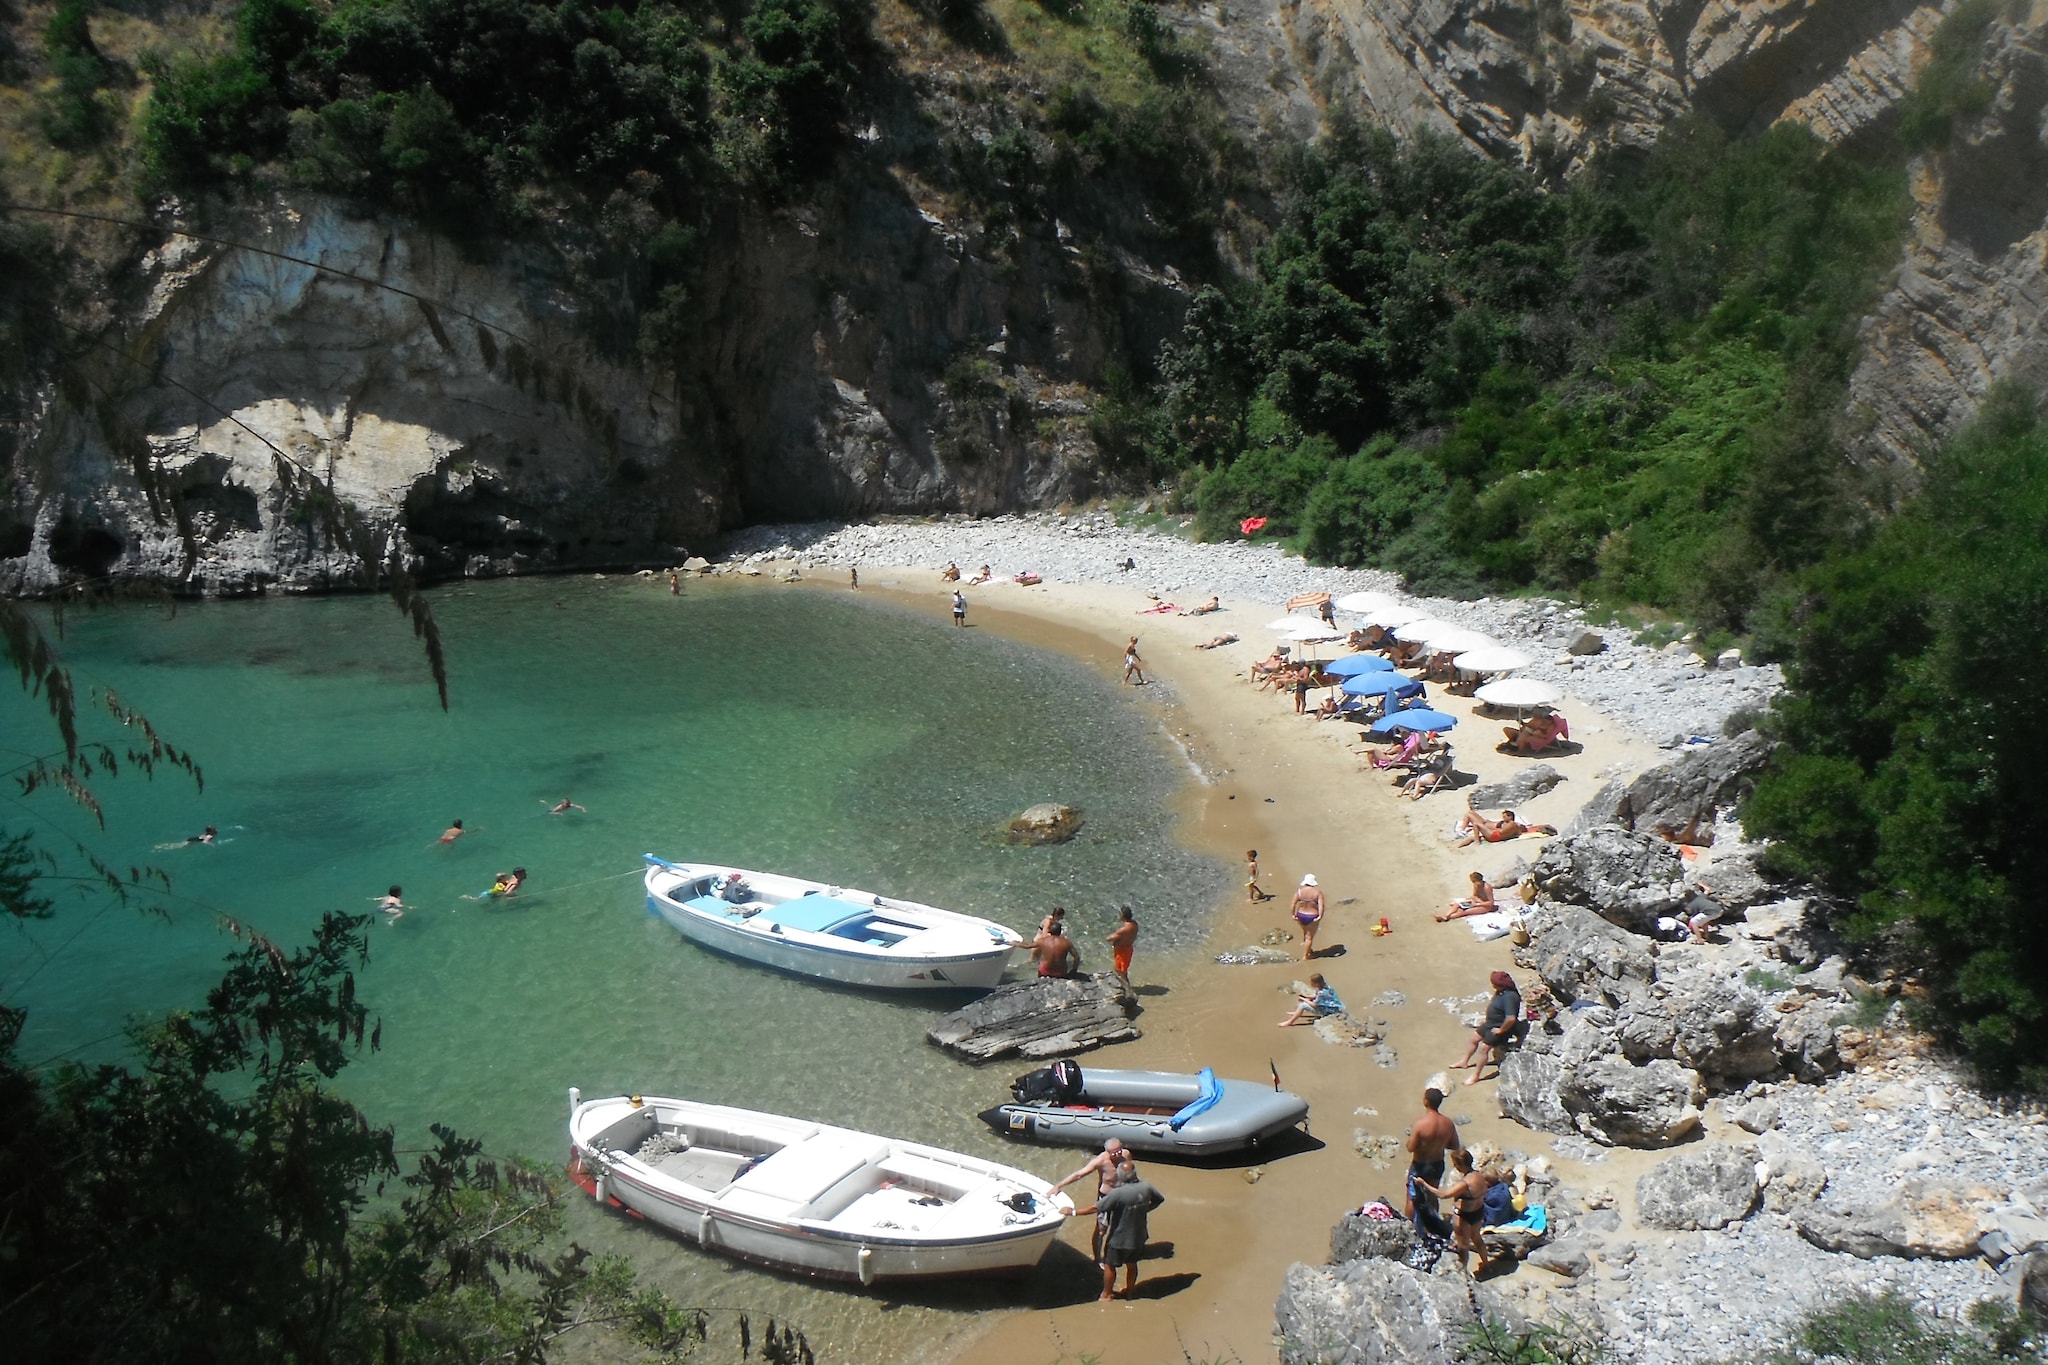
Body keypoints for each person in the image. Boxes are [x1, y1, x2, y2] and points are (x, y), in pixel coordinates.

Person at [1065, 1156, 1163, 1301]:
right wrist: (1144, 1209)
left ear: (1120, 1176)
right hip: (1139, 1236)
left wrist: (1072, 1212)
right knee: (1132, 1264)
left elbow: (1095, 1208)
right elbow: (1159, 1199)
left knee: (1109, 1266)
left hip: (1118, 1239)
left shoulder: (1117, 1194)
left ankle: (1107, 1294)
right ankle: (1130, 1292)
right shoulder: (1147, 1187)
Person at [1416, 1149, 1494, 1273]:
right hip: (1478, 1212)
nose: (1454, 1166)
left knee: (1463, 1246)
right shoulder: (1479, 1175)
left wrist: (1424, 1184)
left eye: (1455, 1164)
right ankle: (1486, 1264)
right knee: (1477, 1238)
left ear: (1461, 1164)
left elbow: (1443, 1195)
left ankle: (1463, 1272)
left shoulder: (1465, 1183)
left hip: (1464, 1216)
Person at [1050, 1138, 1127, 1259]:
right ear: (1107, 1152)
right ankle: (1097, 1259)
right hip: (1106, 1197)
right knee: (1101, 1230)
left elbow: (1131, 1174)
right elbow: (1079, 1174)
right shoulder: (1100, 1161)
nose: (1118, 1154)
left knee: (1120, 1227)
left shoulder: (1126, 1155)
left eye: (1119, 1150)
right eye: (1114, 1152)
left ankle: (1114, 1251)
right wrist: (1059, 1185)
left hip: (1122, 1196)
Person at [1405, 1087, 1462, 1242]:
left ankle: (1409, 1228)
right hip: (1437, 1164)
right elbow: (1455, 1145)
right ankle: (1433, 1226)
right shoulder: (1448, 1123)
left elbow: (1410, 1147)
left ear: (1425, 1101)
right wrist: (1439, 1143)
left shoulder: (1420, 1124)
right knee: (1432, 1194)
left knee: (1412, 1197)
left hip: (1420, 1164)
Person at [1455, 970, 1527, 1085]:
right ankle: (1464, 1061)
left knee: (1484, 1048)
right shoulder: (1501, 992)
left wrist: (1501, 1030)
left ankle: (1475, 1076)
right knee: (1473, 1039)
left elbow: (1511, 1018)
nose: (1493, 986)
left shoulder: (1510, 996)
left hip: (1500, 1027)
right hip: (1490, 1023)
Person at [1290, 873, 1325, 960]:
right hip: (1312, 915)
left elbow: (1293, 904)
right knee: (1310, 937)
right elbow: (1321, 905)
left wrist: (1293, 914)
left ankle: (1308, 949)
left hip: (1301, 914)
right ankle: (1306, 955)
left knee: (1305, 932)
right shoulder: (1317, 893)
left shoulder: (1299, 892)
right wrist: (1320, 916)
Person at [1106, 906, 1138, 986]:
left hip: (1122, 951)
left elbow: (1109, 939)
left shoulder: (1124, 929)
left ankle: (1127, 988)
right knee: (1122, 970)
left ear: (1123, 916)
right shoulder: (1134, 924)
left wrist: (1113, 934)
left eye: (1120, 914)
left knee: (1120, 971)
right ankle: (1125, 986)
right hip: (1128, 948)